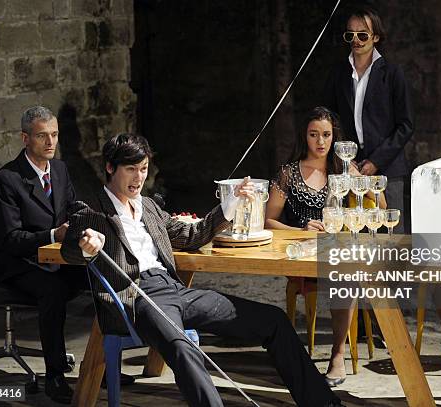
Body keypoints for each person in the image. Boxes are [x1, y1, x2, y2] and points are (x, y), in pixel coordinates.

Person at [60, 133, 344, 407]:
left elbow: (193, 234)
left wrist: (230, 205)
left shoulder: (148, 206)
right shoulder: (92, 210)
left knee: (274, 320)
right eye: (131, 169)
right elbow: (71, 248)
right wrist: (87, 246)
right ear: (110, 168)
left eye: (144, 169)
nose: (139, 178)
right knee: (183, 346)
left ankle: (322, 402)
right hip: (137, 298)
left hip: (173, 290)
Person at [264, 106, 385, 387]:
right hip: (300, 252)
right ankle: (295, 354)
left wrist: (362, 183)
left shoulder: (343, 170)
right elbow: (268, 221)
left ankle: (338, 354)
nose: (320, 142)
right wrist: (301, 230)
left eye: (326, 135)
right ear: (304, 136)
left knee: (346, 275)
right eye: (314, 134)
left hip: (336, 252)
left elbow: (381, 207)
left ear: (335, 138)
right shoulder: (289, 173)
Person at [0, 106, 85, 403]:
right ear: (25, 138)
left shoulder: (59, 169)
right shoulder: (7, 179)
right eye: (42, 136)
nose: (50, 142)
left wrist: (86, 219)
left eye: (54, 135)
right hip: (19, 263)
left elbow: (70, 207)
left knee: (100, 277)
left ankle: (100, 365)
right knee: (53, 291)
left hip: (55, 257)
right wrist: (52, 235)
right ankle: (54, 375)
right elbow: (11, 240)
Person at [323, 6, 413, 233]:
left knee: (392, 237)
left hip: (387, 169)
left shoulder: (392, 73)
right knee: (354, 235)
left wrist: (376, 161)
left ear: (376, 37)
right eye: (350, 35)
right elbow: (329, 119)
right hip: (350, 167)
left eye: (362, 35)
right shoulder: (338, 73)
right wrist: (343, 158)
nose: (356, 40)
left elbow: (406, 125)